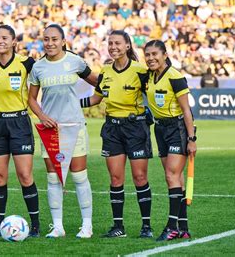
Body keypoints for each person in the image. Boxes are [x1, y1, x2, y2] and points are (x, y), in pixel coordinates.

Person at [80, 30, 153, 238]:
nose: (113, 47)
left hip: (135, 128)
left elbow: (154, 92)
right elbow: (96, 99)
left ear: (128, 46)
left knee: (140, 177)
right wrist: (72, 105)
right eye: (110, 43)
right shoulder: (104, 71)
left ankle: (146, 226)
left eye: (118, 43)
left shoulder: (141, 70)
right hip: (112, 129)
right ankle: (118, 226)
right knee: (115, 178)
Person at [28, 24, 98, 238]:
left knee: (79, 177)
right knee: (53, 178)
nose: (50, 43)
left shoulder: (74, 61)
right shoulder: (38, 67)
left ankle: (87, 226)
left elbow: (100, 83)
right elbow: (31, 98)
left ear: (63, 41)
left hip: (74, 127)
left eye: (54, 39)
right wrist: (42, 116)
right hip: (50, 131)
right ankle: (57, 227)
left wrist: (88, 102)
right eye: (46, 39)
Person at [0, 25, 40, 238]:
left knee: (25, 175)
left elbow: (44, 74)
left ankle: (35, 225)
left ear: (14, 41)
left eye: (5, 38)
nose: (0, 41)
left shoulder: (26, 62)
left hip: (19, 123)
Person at [143, 40, 196, 241]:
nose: (151, 58)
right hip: (160, 129)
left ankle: (171, 226)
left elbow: (186, 110)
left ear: (165, 55)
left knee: (171, 175)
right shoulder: (149, 76)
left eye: (155, 54)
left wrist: (192, 139)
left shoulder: (175, 76)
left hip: (178, 128)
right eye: (147, 55)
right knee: (176, 178)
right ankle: (183, 227)